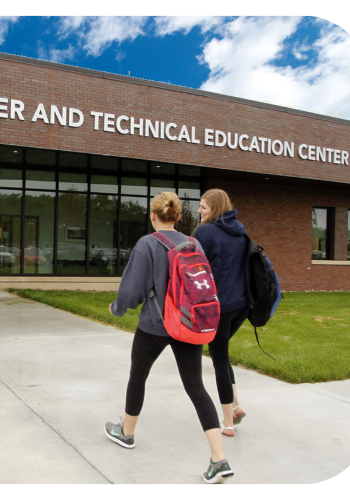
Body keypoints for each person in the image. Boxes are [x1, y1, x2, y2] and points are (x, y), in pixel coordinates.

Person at [104, 191, 234, 484]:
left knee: (138, 376)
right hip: (188, 324)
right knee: (196, 387)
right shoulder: (194, 242)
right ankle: (219, 458)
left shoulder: (147, 244)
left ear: (153, 216)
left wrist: (118, 308)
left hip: (155, 325)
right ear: (177, 217)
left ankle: (126, 433)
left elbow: (131, 292)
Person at [192, 189, 249, 438]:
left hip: (220, 307)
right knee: (222, 355)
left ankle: (227, 422)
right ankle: (236, 406)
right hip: (242, 306)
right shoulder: (240, 228)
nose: (199, 211)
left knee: (218, 359)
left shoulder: (204, 232)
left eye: (203, 207)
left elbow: (190, 264)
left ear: (213, 208)